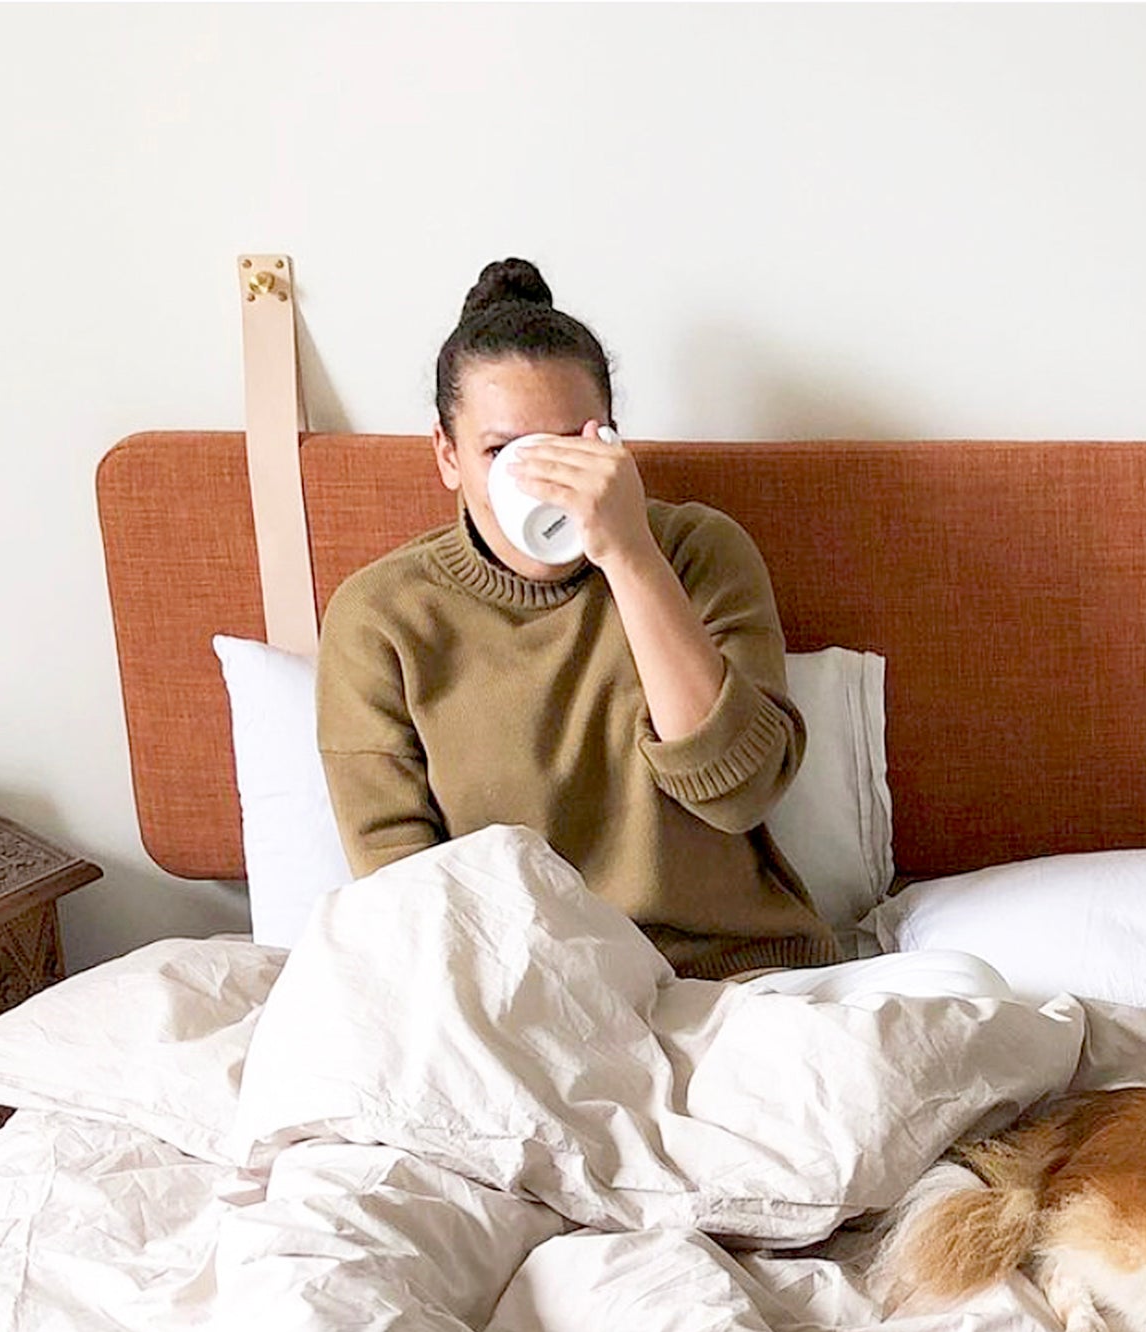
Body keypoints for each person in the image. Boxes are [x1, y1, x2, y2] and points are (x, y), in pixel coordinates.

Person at [316, 257, 844, 981]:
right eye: (501, 451)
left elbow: (740, 793)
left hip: (728, 975)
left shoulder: (694, 553)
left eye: (569, 447)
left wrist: (630, 557)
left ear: (611, 443)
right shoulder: (383, 617)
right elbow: (405, 895)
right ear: (447, 454)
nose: (541, 479)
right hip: (517, 991)